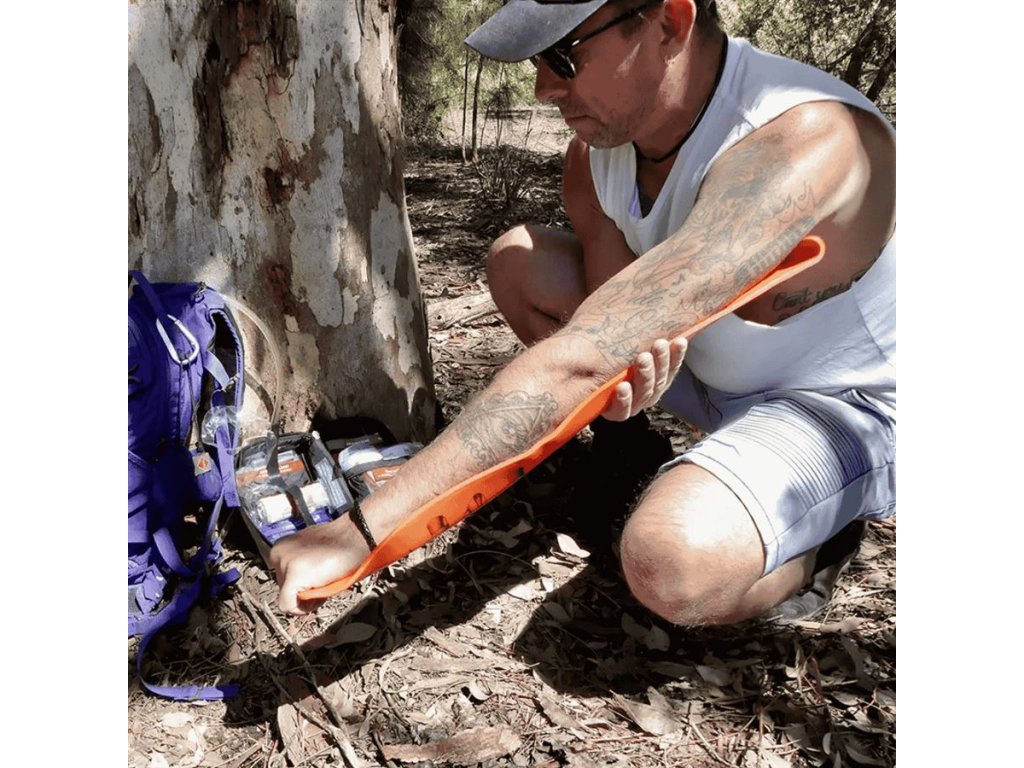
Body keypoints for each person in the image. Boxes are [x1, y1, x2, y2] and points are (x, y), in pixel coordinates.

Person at [271, 0, 895, 626]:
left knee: (670, 559)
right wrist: (619, 390)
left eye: (564, 56)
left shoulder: (805, 138)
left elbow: (585, 358)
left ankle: (813, 541)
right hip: (703, 366)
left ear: (671, 23)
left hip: (834, 403)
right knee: (519, 262)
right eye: (538, 61)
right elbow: (607, 316)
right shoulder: (597, 156)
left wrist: (358, 533)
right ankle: (632, 455)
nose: (543, 88)